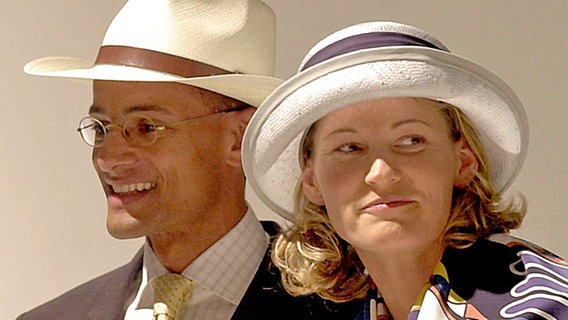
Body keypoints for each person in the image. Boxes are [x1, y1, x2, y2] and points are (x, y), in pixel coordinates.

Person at [18, 1, 363, 319]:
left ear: (239, 137)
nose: (108, 157)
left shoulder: (351, 311)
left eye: (145, 127)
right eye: (101, 127)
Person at [242, 21, 568, 319]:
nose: (381, 173)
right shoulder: (356, 310)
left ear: (465, 161)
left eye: (411, 140)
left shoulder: (543, 307)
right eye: (349, 148)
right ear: (311, 181)